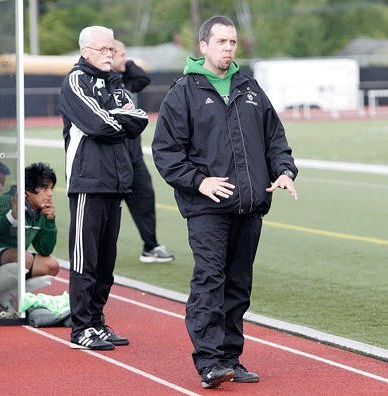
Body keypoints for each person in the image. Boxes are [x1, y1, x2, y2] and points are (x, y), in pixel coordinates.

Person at [152, 16, 298, 389]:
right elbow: (166, 153)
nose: (228, 48)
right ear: (203, 46)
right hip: (207, 210)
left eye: (232, 42)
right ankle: (209, 362)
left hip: (250, 205)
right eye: (221, 42)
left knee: (238, 285)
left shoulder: (250, 87)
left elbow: (274, 138)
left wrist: (284, 170)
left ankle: (231, 357)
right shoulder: (182, 92)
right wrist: (199, 182)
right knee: (209, 282)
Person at [59, 26, 148, 350]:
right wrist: (117, 119)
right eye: (103, 50)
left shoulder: (115, 83)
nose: (110, 55)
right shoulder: (75, 81)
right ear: (86, 52)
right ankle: (80, 328)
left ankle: (97, 323)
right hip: (87, 181)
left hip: (117, 181)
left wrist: (115, 119)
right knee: (86, 260)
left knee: (106, 262)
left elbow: (138, 120)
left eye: (112, 49)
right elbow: (96, 124)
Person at [112, 40, 174, 264]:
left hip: (134, 158)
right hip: (113, 160)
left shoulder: (125, 79)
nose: (126, 58)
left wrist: (125, 62)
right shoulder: (102, 83)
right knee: (108, 210)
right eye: (122, 54)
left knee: (145, 197)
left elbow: (143, 78)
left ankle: (151, 246)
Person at [0, 162, 60, 279]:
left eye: (51, 188)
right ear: (28, 190)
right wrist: (11, 216)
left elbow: (45, 250)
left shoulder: (40, 212)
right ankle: (1, 294)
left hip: (17, 257)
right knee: (25, 258)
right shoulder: (6, 201)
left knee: (52, 266)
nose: (50, 193)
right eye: (45, 188)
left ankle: (8, 293)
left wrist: (50, 221)